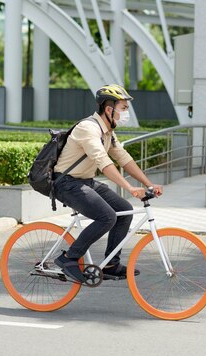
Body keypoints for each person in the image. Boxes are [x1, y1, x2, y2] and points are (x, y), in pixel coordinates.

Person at [53, 84, 163, 282]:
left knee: (125, 210)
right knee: (107, 217)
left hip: (84, 182)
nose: (126, 113)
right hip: (66, 183)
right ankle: (69, 258)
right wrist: (129, 187)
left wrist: (148, 184)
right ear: (108, 109)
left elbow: (123, 158)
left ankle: (111, 264)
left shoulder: (108, 132)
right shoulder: (88, 128)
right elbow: (103, 162)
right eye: (123, 108)